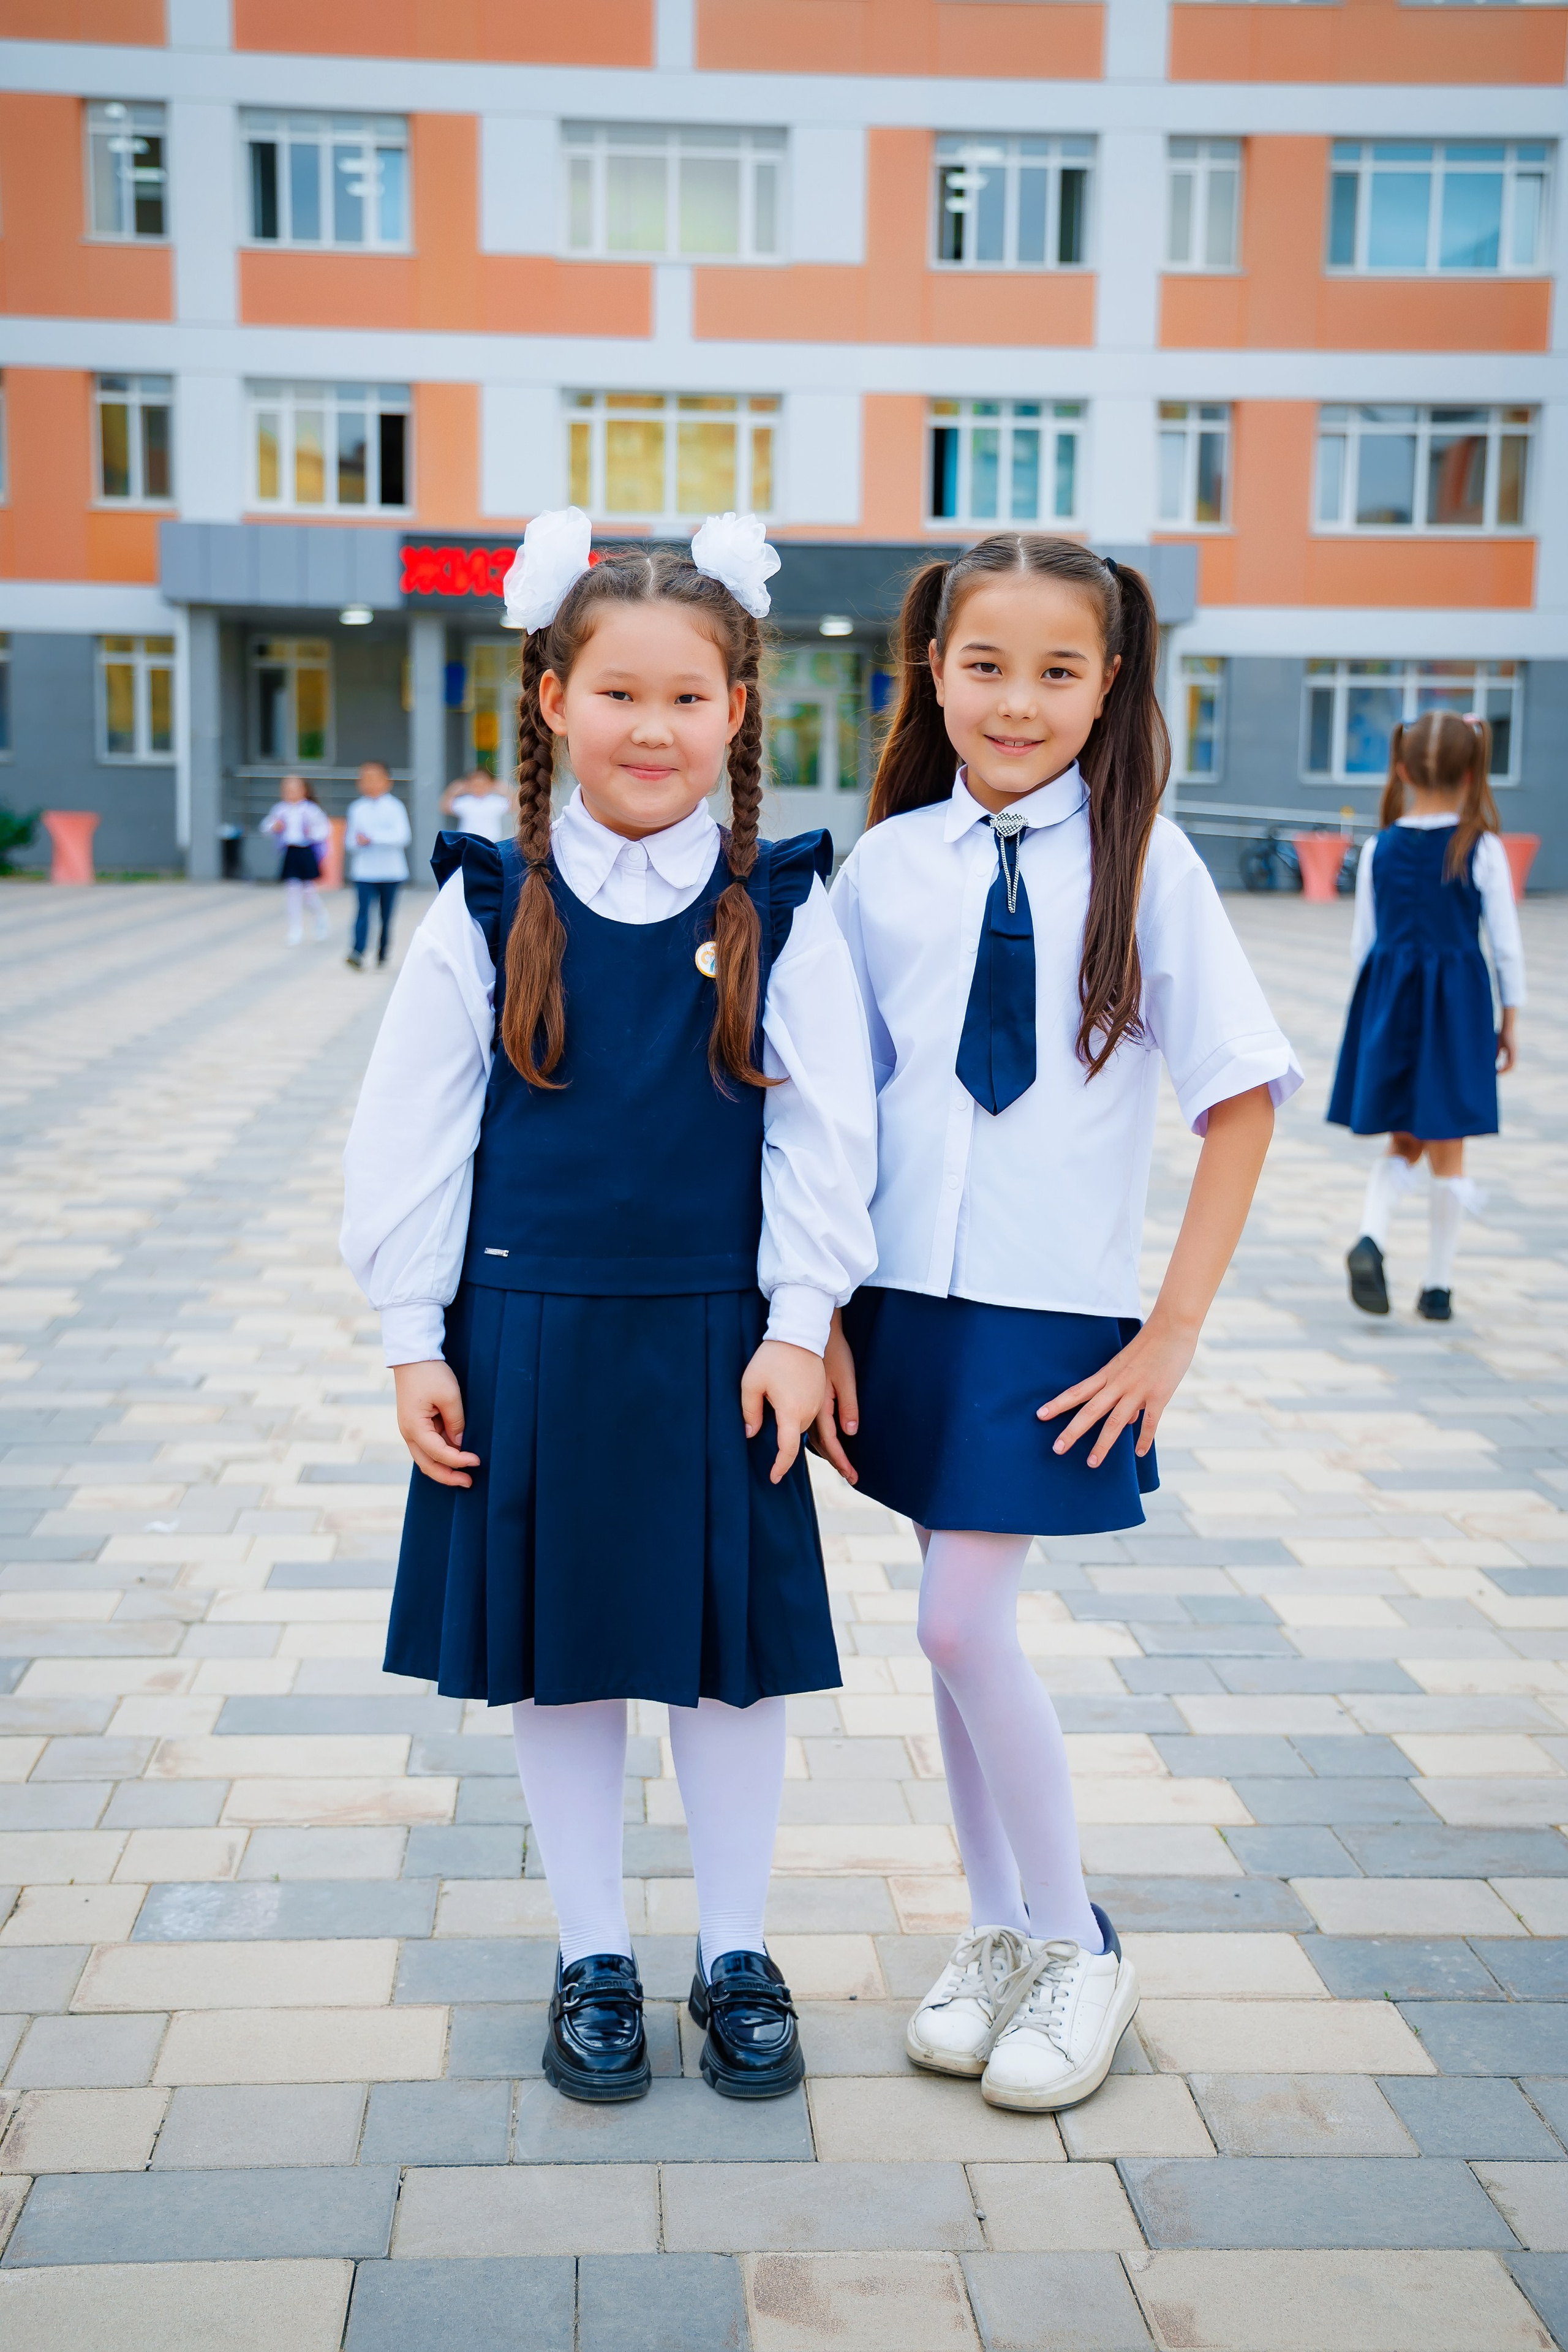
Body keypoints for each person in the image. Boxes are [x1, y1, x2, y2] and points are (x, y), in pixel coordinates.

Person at [341, 509, 876, 2108]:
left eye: (690, 697)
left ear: (738, 709)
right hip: (531, 1336)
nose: (656, 727)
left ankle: (733, 1950)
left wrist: (800, 1321)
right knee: (563, 1662)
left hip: (724, 1339)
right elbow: (412, 1135)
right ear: (554, 697)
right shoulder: (484, 902)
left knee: (730, 1662)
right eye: (621, 692)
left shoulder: (780, 903)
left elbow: (827, 1127)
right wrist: (406, 1337)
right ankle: (591, 1952)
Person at [815, 533, 1300, 2113]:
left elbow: (1236, 1100)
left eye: (1056, 669)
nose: (1015, 700)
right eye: (983, 664)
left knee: (957, 1624)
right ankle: (1005, 1929)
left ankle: (1076, 1936)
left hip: (1047, 1313)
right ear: (931, 670)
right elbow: (822, 1111)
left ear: (1109, 683)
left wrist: (1166, 1333)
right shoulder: (884, 865)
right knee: (954, 1643)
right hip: (901, 1302)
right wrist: (811, 1309)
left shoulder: (1147, 859)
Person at [1330, 709, 1525, 1322]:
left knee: (1405, 1139)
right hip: (1458, 1009)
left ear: (1402, 768)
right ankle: (1437, 1289)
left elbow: (1363, 945)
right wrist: (1509, 1017)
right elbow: (1507, 945)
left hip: (1390, 1003)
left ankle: (1371, 1234)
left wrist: (1369, 1023)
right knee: (1449, 1144)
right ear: (1473, 772)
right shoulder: (1481, 847)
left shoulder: (1378, 849)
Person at [344, 761, 412, 968]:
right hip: (364, 871)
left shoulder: (395, 807)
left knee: (386, 915)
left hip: (391, 871)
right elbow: (349, 841)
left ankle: (383, 952)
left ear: (388, 782)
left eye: (375, 778)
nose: (370, 783)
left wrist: (372, 838)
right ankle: (358, 951)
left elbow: (403, 837)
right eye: (365, 779)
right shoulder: (357, 808)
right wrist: (359, 842)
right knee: (363, 912)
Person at [259, 773, 331, 944]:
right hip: (290, 852)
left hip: (305, 851)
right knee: (292, 892)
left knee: (308, 891)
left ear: (304, 790)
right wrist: (274, 827)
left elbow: (324, 830)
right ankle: (295, 929)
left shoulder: (311, 809)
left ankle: (320, 915)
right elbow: (266, 827)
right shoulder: (280, 809)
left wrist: (312, 833)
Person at [441, 766, 516, 843]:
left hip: (491, 842)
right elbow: (446, 808)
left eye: (483, 784)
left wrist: (507, 791)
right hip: (467, 841)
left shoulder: (495, 801)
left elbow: (514, 807)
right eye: (475, 785)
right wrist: (453, 791)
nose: (479, 788)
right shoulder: (465, 801)